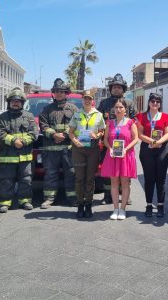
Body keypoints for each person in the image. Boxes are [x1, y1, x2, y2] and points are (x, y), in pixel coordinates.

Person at [0, 88, 38, 213]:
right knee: (6, 179)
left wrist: (23, 142)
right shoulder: (1, 118)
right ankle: (4, 203)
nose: (16, 103)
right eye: (13, 101)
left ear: (22, 102)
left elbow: (34, 132)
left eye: (18, 101)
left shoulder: (29, 117)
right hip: (7, 156)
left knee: (26, 179)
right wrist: (14, 141)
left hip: (25, 156)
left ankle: (25, 201)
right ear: (9, 102)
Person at [39, 78, 78, 209]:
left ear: (66, 93)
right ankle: (49, 199)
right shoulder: (47, 109)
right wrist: (54, 134)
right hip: (51, 150)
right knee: (50, 174)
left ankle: (72, 198)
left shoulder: (73, 109)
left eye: (62, 91)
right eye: (56, 91)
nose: (59, 94)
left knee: (71, 173)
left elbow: (77, 124)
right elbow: (43, 125)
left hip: (69, 149)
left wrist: (65, 134)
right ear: (53, 93)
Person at [98, 73, 136, 205]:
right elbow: (99, 121)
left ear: (123, 89)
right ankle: (107, 195)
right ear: (110, 89)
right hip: (109, 143)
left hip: (125, 143)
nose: (116, 89)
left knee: (125, 171)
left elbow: (134, 120)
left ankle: (125, 195)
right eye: (114, 87)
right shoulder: (103, 103)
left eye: (119, 87)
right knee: (109, 170)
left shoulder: (129, 103)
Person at [69, 90, 105, 218]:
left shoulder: (98, 115)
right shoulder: (77, 114)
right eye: (85, 98)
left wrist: (97, 135)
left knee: (90, 179)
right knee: (79, 178)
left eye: (89, 98)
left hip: (93, 149)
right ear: (82, 100)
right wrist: (74, 141)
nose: (87, 101)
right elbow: (71, 131)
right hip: (78, 149)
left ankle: (88, 205)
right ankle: (80, 205)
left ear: (92, 100)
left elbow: (102, 131)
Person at [101, 98, 138, 220]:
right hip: (112, 156)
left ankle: (123, 209)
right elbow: (105, 139)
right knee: (114, 183)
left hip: (125, 156)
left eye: (121, 107)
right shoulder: (109, 123)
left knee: (125, 183)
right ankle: (115, 208)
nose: (118, 109)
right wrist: (110, 148)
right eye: (116, 107)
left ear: (125, 110)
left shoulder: (130, 123)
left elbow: (135, 139)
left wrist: (125, 149)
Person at [137, 93, 168, 217]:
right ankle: (149, 205)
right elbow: (140, 134)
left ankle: (161, 205)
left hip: (162, 149)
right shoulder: (141, 116)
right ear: (149, 102)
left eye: (158, 101)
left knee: (161, 179)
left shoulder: (165, 116)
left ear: (160, 104)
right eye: (153, 101)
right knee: (149, 178)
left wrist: (158, 142)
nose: (155, 103)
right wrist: (151, 141)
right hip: (147, 150)